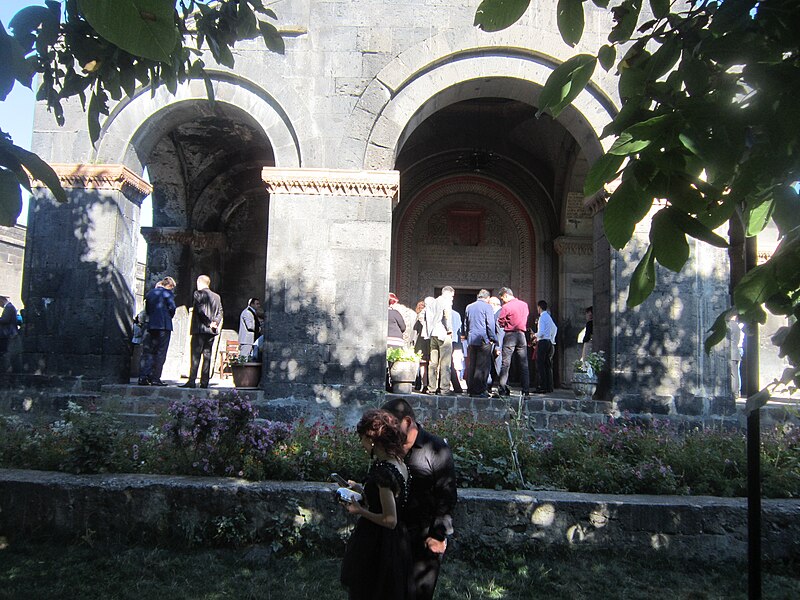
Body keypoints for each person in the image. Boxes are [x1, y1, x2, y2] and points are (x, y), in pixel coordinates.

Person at [382, 398, 457, 600]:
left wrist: (438, 535)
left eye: (391, 426)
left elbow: (447, 495)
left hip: (425, 537)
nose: (387, 432)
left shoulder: (435, 449)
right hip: (395, 535)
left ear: (407, 421)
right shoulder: (390, 449)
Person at [340, 409, 412, 600]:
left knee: (370, 591)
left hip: (378, 542)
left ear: (372, 439)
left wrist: (360, 510)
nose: (361, 444)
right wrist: (362, 489)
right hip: (397, 541)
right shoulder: (399, 463)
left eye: (362, 438)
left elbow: (390, 520)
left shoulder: (383, 473)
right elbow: (388, 500)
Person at [181, 275, 223, 389]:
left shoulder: (198, 294)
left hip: (200, 329)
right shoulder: (217, 297)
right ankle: (204, 382)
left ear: (199, 282)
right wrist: (215, 323)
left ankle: (192, 380)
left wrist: (209, 323)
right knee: (207, 356)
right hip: (211, 331)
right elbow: (220, 312)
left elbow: (199, 311)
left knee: (195, 355)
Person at [138, 277, 176, 386]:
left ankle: (143, 377)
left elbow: (148, 309)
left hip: (151, 325)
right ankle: (155, 378)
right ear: (169, 285)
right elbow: (172, 308)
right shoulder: (167, 294)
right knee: (160, 353)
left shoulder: (150, 293)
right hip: (164, 325)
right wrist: (168, 317)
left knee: (148, 351)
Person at [496, 287, 531, 396]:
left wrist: (506, 322)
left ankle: (502, 390)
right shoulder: (524, 305)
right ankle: (526, 391)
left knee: (505, 364)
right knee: (524, 364)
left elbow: (500, 320)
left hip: (510, 335)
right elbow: (525, 317)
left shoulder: (506, 306)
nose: (502, 301)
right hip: (521, 335)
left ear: (505, 295)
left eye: (502, 298)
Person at [464, 289, 498, 397]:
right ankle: (479, 390)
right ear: (487, 298)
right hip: (484, 339)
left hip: (472, 339)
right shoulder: (488, 307)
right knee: (482, 366)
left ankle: (471, 389)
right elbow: (490, 324)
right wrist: (493, 338)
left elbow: (466, 324)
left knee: (472, 364)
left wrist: (467, 336)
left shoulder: (469, 306)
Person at [426, 286, 455, 395]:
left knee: (433, 362)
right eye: (452, 296)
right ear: (448, 293)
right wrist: (450, 329)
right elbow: (447, 315)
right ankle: (444, 389)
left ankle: (431, 387)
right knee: (445, 362)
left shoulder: (433, 302)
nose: (452, 299)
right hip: (443, 333)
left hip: (433, 333)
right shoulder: (446, 301)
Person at [533, 300, 558, 394]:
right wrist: (552, 338)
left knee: (541, 365)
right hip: (549, 342)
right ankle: (549, 386)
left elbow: (541, 332)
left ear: (539, 307)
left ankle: (542, 386)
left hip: (543, 342)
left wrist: (535, 335)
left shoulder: (542, 317)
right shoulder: (548, 317)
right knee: (547, 365)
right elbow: (555, 328)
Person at [412, 299, 430, 392]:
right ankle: (425, 384)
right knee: (424, 364)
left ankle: (420, 384)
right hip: (424, 342)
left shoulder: (418, 317)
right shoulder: (422, 317)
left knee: (421, 364)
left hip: (419, 342)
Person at [0, 295, 19, 373]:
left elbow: (5, 320)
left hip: (7, 333)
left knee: (4, 351)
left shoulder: (9, 307)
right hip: (8, 333)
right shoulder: (10, 307)